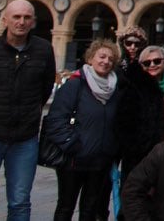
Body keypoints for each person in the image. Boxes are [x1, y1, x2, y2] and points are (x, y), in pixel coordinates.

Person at [0, 0, 57, 221]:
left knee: (20, 202)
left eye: (27, 17)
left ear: (33, 22)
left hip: (24, 139)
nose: (21, 22)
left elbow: (46, 86)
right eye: (16, 17)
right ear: (5, 20)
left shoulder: (43, 50)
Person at [43, 38, 124, 221]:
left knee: (90, 209)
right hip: (74, 160)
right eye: (101, 57)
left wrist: (112, 148)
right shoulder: (75, 85)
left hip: (100, 160)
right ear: (90, 59)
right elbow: (55, 120)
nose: (106, 62)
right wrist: (71, 144)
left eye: (111, 59)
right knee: (66, 207)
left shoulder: (114, 89)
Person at [116, 45, 164, 202]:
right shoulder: (132, 85)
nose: (152, 65)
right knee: (135, 196)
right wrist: (133, 147)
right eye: (147, 63)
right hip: (137, 155)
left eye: (157, 61)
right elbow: (122, 122)